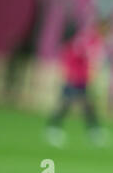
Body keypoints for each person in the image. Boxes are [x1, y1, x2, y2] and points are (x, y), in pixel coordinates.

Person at [46, 20, 108, 148]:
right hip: (74, 79)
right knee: (67, 103)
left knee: (86, 106)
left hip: (81, 79)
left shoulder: (86, 42)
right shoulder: (83, 42)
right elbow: (75, 57)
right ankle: (53, 128)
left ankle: (93, 130)